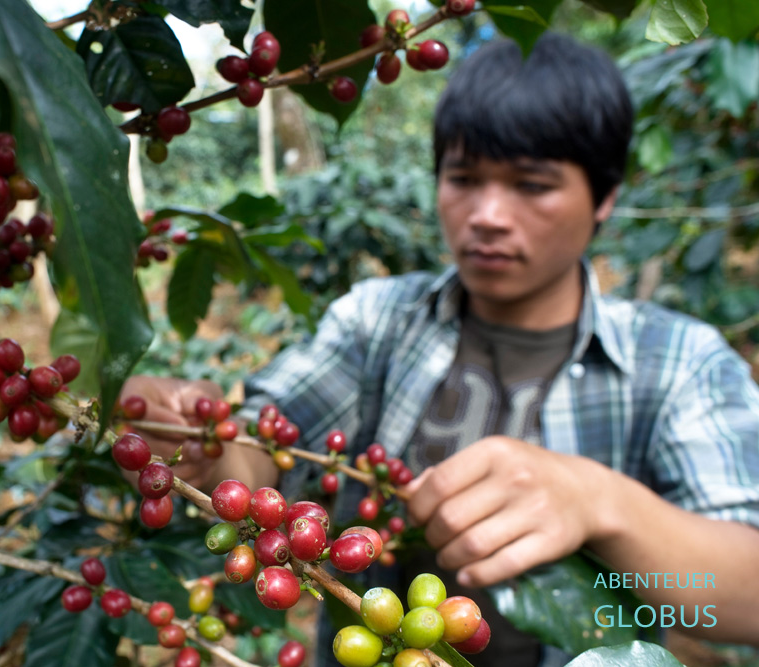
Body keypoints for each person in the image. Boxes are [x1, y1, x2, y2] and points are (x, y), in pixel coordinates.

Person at [120, 32, 759, 665]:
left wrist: (602, 502)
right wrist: (195, 448)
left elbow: (746, 599)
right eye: (463, 177)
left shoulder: (678, 363)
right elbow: (259, 456)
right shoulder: (379, 321)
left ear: (605, 197)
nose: (486, 214)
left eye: (532, 185)